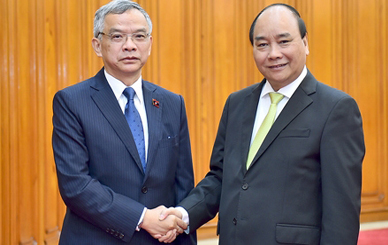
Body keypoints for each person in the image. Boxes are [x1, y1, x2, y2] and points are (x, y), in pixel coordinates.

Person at [161, 3, 365, 245]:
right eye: (262, 45)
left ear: (305, 43)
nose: (273, 53)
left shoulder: (336, 109)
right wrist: (184, 214)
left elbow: (341, 212)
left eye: (283, 41)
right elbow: (221, 177)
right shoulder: (237, 103)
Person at [52, 0, 196, 244]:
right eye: (117, 36)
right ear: (98, 45)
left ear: (149, 44)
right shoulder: (72, 101)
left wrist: (179, 229)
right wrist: (142, 218)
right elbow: (76, 185)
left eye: (139, 36)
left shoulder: (172, 103)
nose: (130, 46)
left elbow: (183, 185)